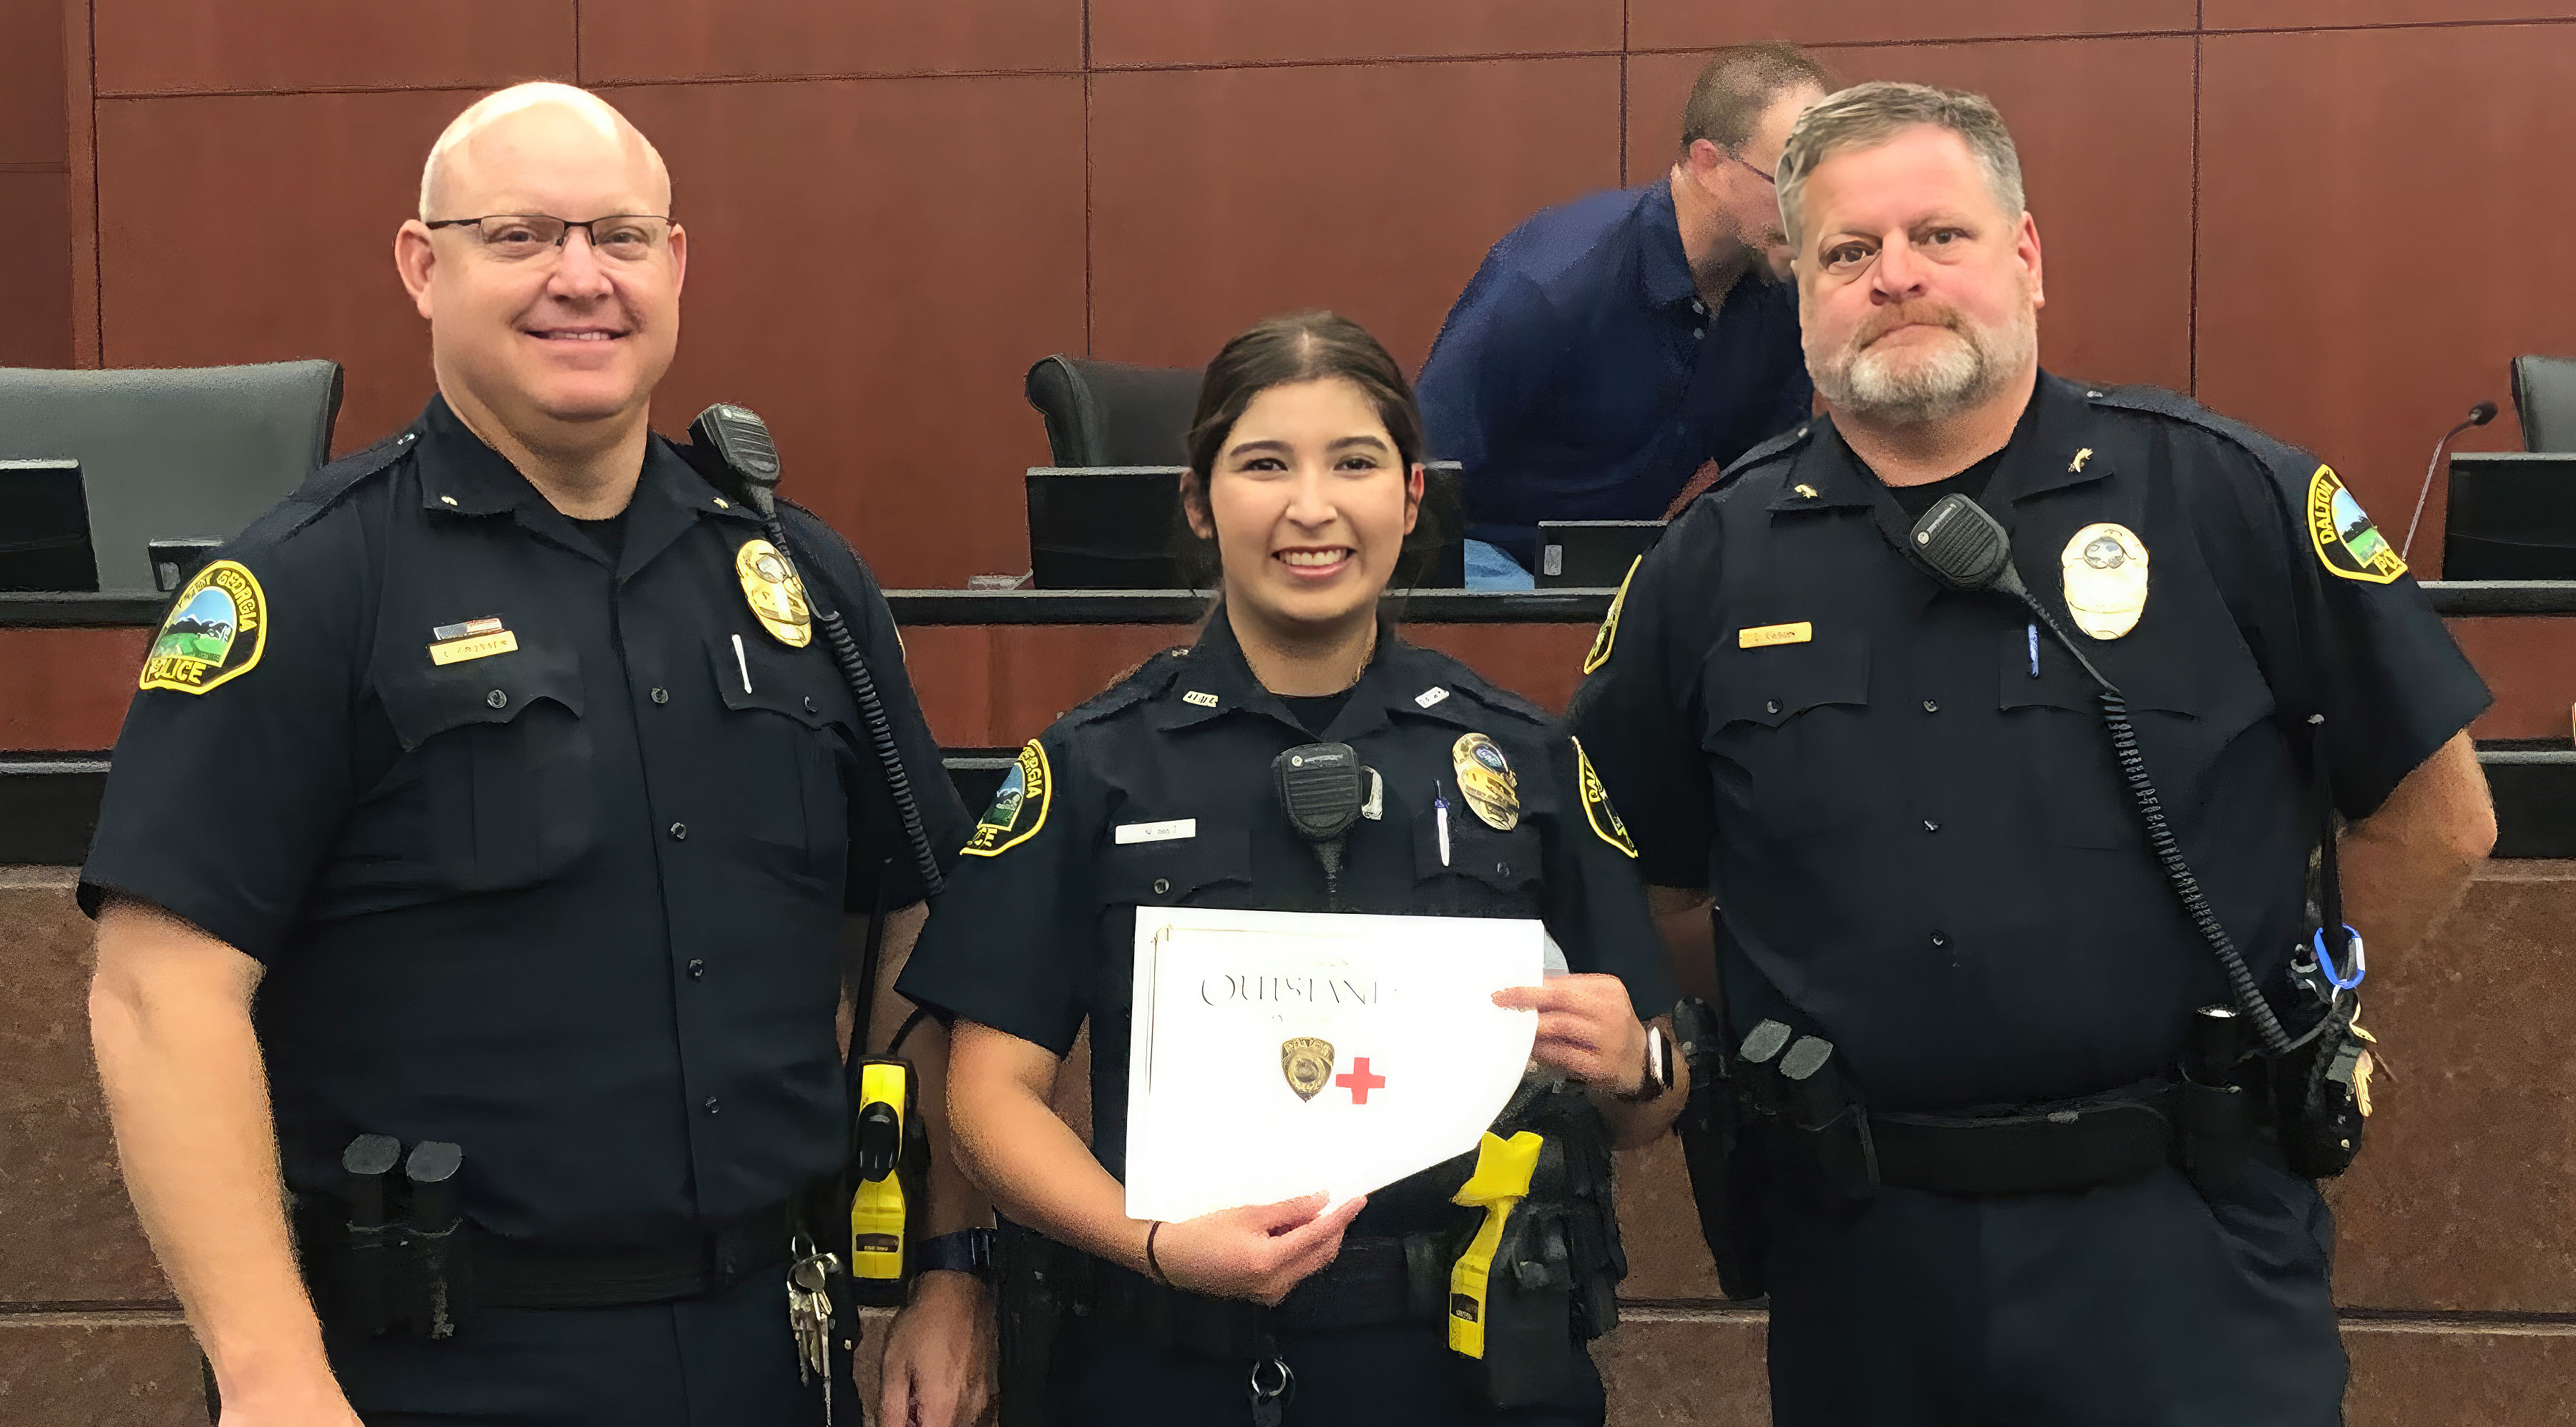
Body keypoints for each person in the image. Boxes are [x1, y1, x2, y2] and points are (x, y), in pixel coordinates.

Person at [1572, 80, 2501, 1426]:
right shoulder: (1709, 565)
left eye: (1938, 235)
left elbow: (2440, 814)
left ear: (2027, 257)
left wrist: (2282, 1001)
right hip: (1866, 1254)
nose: (1896, 278)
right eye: (1847, 252)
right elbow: (1645, 883)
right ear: (1804, 294)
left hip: (2186, 1238)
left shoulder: (2220, 498)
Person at [82, 82, 993, 1427]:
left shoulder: (797, 580)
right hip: (442, 1362)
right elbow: (162, 995)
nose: (582, 279)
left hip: (772, 1344)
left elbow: (921, 943)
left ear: (675, 265)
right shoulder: (313, 584)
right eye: (520, 237)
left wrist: (954, 1265)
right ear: (422, 265)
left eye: (620, 237)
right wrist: (270, 1370)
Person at [897, 312, 1686, 1426]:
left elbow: (1654, 1092)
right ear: (1196, 498)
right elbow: (987, 1090)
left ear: (1410, 499)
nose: (1311, 506)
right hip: (1170, 1355)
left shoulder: (1524, 757)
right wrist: (1157, 1244)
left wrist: (1636, 1059)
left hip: (1471, 1366)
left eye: (1354, 463)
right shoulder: (1097, 763)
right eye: (1265, 463)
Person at [1416, 44, 1831, 588]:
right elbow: (1420, 464)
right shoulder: (1553, 282)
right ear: (1708, 163)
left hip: (1618, 566)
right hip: (1486, 561)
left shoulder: (1779, 285)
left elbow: (1769, 475)